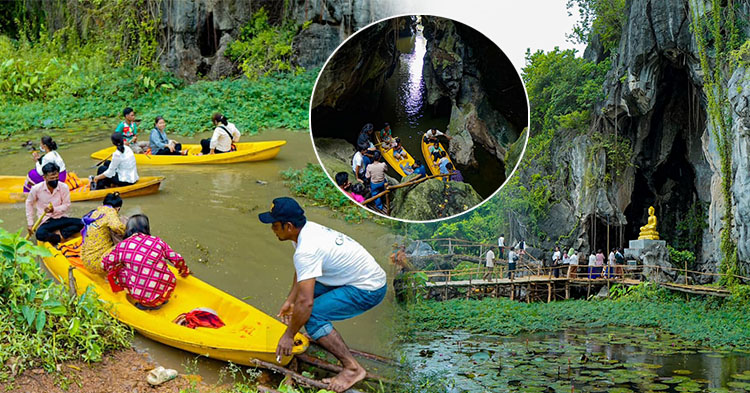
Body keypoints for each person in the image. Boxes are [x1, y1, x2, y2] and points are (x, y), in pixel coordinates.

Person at [258, 197, 386, 392]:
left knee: (313, 314)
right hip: (353, 277)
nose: (272, 230)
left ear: (289, 226)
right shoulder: (305, 232)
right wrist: (290, 301)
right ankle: (319, 332)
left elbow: (306, 303)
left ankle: (352, 368)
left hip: (368, 288)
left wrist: (288, 335)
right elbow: (303, 273)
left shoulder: (306, 250)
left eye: (275, 226)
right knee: (303, 304)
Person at [102, 214, 190, 309]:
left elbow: (105, 264)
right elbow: (177, 259)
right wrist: (184, 272)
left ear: (129, 229)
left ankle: (144, 304)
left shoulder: (122, 246)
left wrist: (121, 266)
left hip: (141, 296)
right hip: (166, 290)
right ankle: (161, 299)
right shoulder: (157, 241)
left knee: (119, 269)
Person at [25, 163, 84, 245]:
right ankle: (59, 238)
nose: (55, 180)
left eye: (56, 177)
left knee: (82, 223)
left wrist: (54, 209)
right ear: (44, 178)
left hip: (61, 218)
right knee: (40, 234)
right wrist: (30, 224)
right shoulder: (36, 189)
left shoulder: (64, 187)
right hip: (47, 220)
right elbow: (29, 204)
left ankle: (62, 234)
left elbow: (67, 205)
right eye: (52, 178)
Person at [81, 193, 126, 274]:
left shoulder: (95, 212)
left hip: (86, 260)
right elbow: (117, 227)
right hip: (97, 263)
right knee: (127, 245)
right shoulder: (111, 212)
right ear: (118, 208)